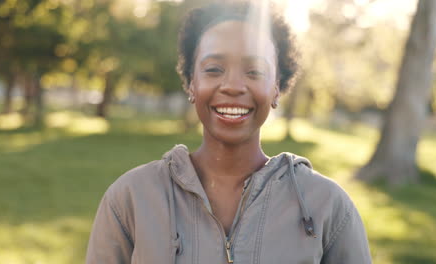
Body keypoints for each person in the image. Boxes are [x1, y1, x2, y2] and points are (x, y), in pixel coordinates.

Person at [85, 2, 372, 263]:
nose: (233, 86)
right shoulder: (130, 199)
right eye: (213, 69)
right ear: (190, 84)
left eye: (255, 71)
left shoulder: (327, 206)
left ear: (276, 88)